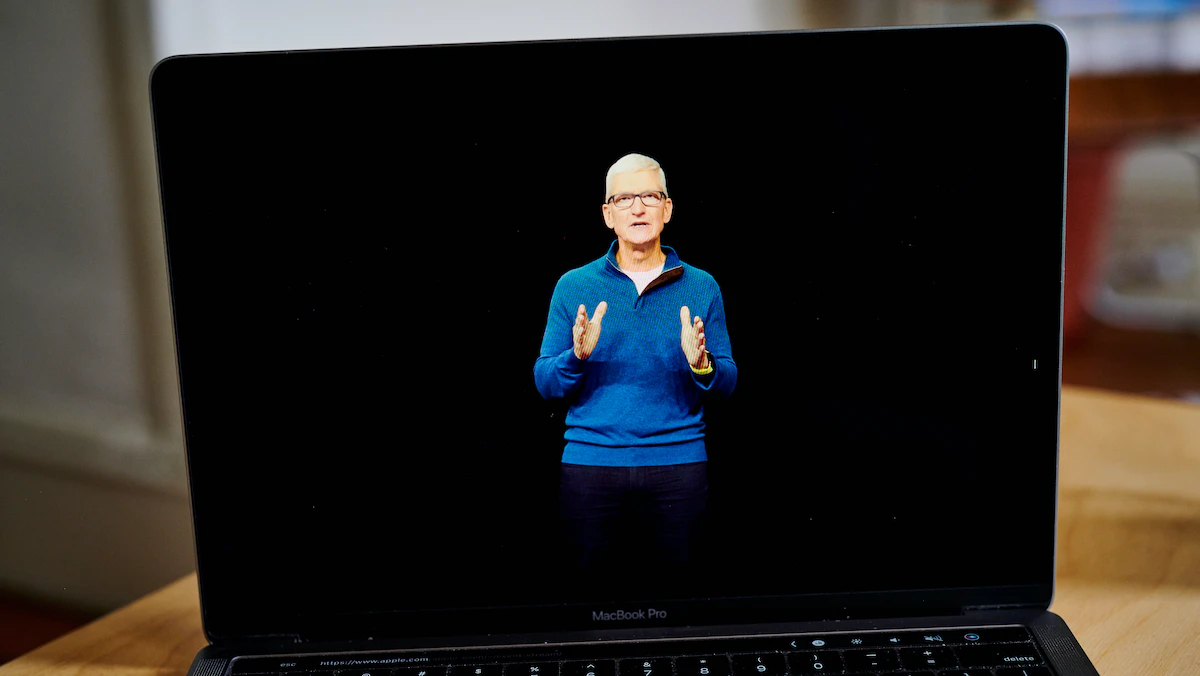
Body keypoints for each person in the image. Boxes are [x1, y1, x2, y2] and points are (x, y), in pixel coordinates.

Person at [533, 153, 737, 569]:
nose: (638, 208)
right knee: (587, 596)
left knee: (681, 597)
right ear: (608, 214)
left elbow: (728, 381)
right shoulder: (573, 285)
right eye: (624, 198)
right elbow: (546, 382)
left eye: (649, 196)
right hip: (591, 466)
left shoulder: (702, 285)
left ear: (668, 208)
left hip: (678, 466)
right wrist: (577, 356)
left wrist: (702, 364)